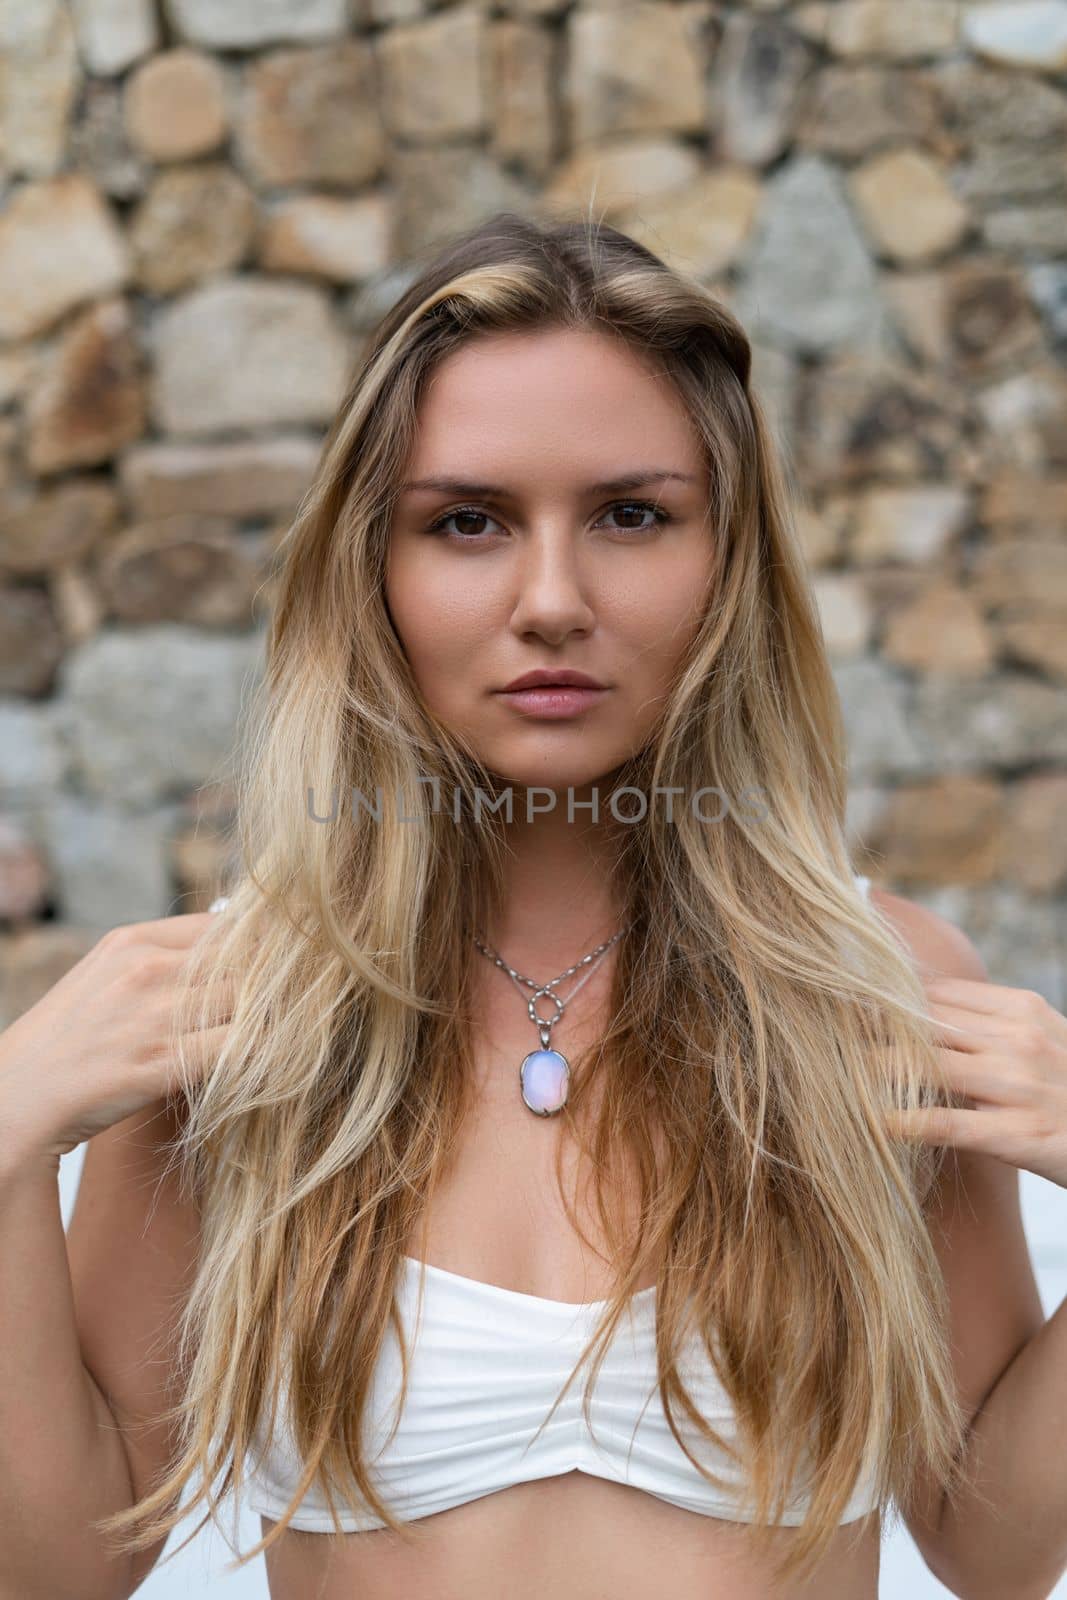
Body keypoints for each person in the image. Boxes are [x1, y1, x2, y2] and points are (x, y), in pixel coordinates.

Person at [1, 211, 1063, 1600]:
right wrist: (7, 1138)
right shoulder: (244, 1014)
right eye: (468, 522)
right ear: (371, 568)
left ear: (728, 560)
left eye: (632, 515)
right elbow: (56, 1573)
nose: (552, 600)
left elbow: (994, 1552)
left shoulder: (876, 988)